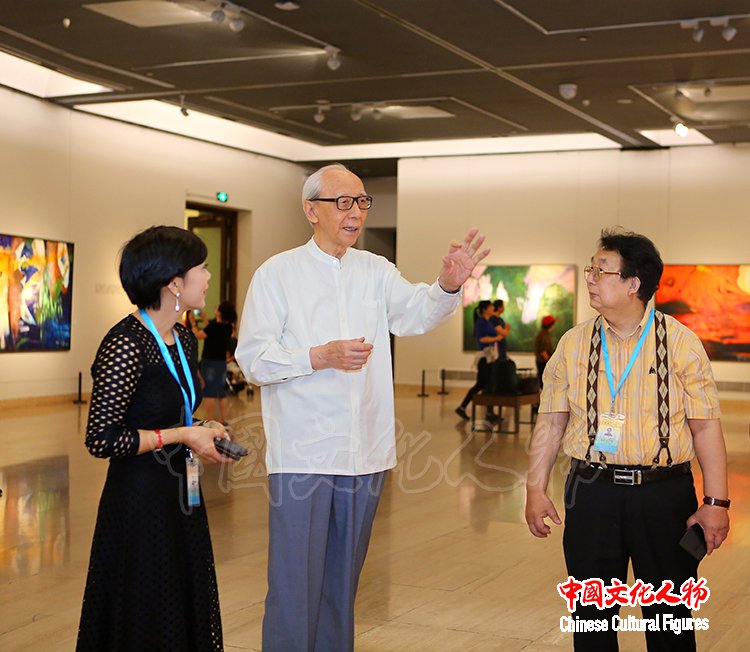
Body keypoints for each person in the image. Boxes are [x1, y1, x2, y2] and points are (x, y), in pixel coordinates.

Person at [235, 163, 489, 652]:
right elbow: (253, 360)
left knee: (342, 585)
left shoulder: (375, 270)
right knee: (294, 583)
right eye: (343, 202)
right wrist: (318, 356)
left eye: (362, 201)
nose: (355, 212)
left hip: (364, 453)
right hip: (304, 455)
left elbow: (414, 315)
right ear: (311, 210)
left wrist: (447, 286)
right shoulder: (277, 274)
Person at [525, 228, 730, 651]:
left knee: (669, 622)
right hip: (591, 493)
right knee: (591, 621)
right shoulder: (573, 344)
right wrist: (534, 487)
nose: (590, 278)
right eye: (590, 269)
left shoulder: (681, 344)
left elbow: (706, 427)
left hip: (663, 496)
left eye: (601, 271)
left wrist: (716, 503)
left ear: (633, 283)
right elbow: (551, 421)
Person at [77, 226, 233, 652]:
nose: (208, 277)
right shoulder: (125, 344)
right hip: (139, 500)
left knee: (179, 601)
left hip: (181, 494)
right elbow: (102, 439)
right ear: (174, 283)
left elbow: (167, 410)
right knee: (145, 606)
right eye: (201, 268)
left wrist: (201, 427)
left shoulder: (183, 338)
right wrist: (183, 433)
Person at [454, 300, 506, 421]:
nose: (493, 308)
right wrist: (497, 338)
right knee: (482, 384)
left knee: (487, 384)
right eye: (490, 306)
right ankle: (464, 407)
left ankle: (488, 411)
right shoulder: (481, 322)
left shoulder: (487, 321)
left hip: (489, 357)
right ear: (484, 309)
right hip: (484, 358)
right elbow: (482, 339)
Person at [192, 301, 238, 425]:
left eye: (217, 308)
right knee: (222, 392)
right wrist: (204, 319)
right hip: (221, 363)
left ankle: (210, 421)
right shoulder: (228, 327)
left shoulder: (213, 327)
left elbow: (198, 335)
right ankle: (224, 420)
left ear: (220, 312)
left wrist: (193, 323)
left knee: (209, 393)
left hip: (209, 363)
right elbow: (213, 330)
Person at [533, 314, 556, 389]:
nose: (554, 326)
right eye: (553, 324)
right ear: (550, 325)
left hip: (543, 361)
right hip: (543, 361)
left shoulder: (544, 334)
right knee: (544, 381)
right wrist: (549, 362)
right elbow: (543, 351)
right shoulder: (543, 335)